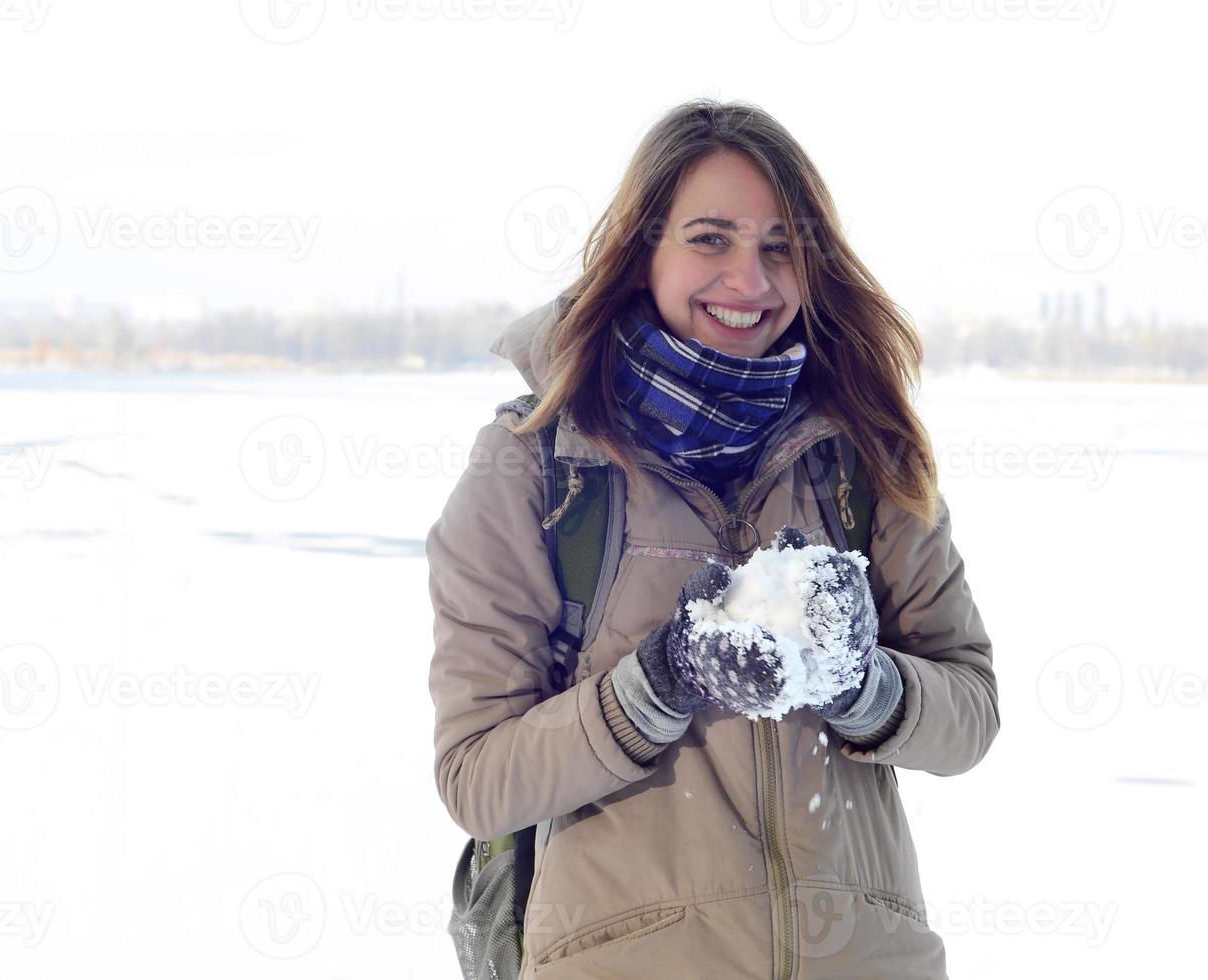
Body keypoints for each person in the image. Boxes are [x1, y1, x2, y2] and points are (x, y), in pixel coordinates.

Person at [427, 97, 998, 979]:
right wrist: (662, 681)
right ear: (641, 249)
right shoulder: (536, 466)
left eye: (781, 247)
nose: (751, 281)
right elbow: (476, 776)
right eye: (709, 239)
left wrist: (862, 683)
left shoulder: (861, 450)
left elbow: (970, 712)